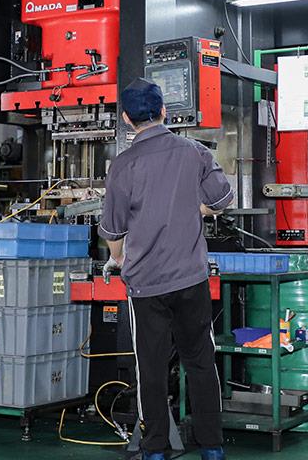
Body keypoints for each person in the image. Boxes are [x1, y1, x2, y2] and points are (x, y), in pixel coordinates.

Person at [99, 77, 234, 460]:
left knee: (151, 370)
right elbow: (222, 198)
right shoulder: (195, 151)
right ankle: (212, 448)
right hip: (191, 279)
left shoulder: (123, 165)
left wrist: (118, 258)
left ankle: (155, 450)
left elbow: (113, 230)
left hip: (146, 286)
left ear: (126, 119)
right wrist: (195, 208)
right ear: (164, 111)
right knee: (201, 363)